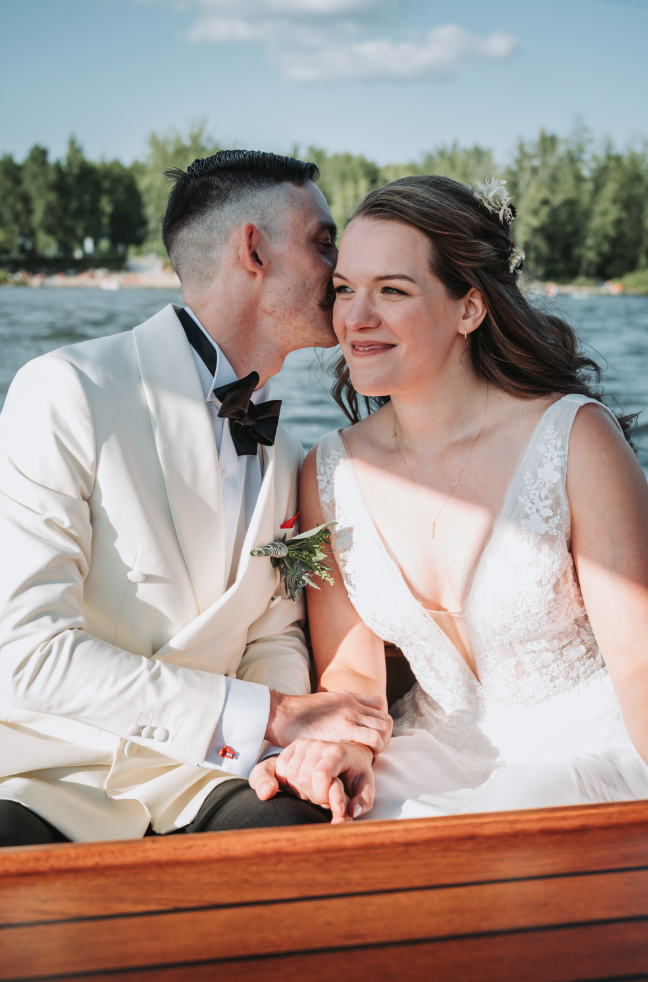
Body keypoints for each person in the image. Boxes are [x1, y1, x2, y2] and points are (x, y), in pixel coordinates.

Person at [0, 150, 391, 848]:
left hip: (206, 774)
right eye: (324, 241)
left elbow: (273, 632)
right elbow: (26, 654)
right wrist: (271, 715)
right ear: (252, 249)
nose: (343, 270)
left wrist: (287, 746)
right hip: (51, 773)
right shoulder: (66, 389)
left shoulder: (291, 451)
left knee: (321, 836)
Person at [258, 173, 648, 821]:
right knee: (315, 819)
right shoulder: (327, 470)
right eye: (345, 289)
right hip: (432, 749)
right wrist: (344, 749)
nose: (356, 318)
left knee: (519, 816)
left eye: (393, 291)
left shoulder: (575, 437)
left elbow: (639, 661)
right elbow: (352, 677)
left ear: (469, 307)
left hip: (591, 748)